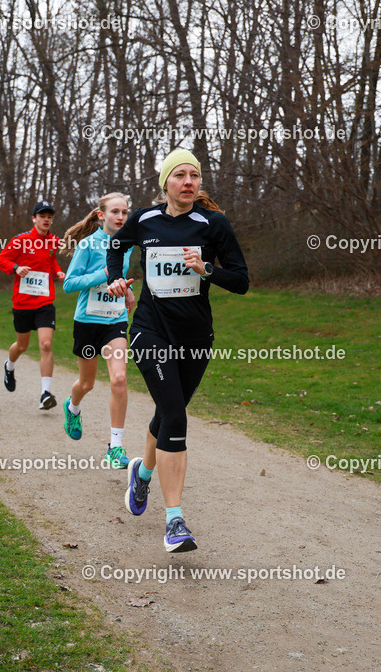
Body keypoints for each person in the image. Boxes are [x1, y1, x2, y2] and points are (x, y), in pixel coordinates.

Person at [106, 149, 249, 553]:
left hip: (195, 339)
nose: (189, 182)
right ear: (165, 183)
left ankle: (143, 472)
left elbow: (241, 280)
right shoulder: (145, 220)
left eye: (195, 176)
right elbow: (116, 248)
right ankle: (175, 522)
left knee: (167, 411)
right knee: (176, 414)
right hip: (151, 331)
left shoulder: (213, 225)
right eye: (180, 175)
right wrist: (116, 279)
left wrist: (207, 269)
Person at [61, 192, 136, 469]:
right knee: (87, 384)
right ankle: (73, 407)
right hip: (87, 321)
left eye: (125, 212)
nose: (121, 217)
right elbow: (69, 284)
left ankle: (115, 447)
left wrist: (127, 290)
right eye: (115, 212)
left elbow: (120, 277)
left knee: (119, 379)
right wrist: (103, 274)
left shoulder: (126, 245)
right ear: (101, 215)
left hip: (115, 320)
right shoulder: (88, 245)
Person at [0, 201, 66, 410]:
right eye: (42, 216)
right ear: (33, 218)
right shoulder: (20, 240)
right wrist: (16, 267)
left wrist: (58, 272)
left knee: (46, 344)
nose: (46, 220)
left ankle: (45, 393)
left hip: (44, 301)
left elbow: (51, 262)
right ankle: (9, 366)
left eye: (49, 216)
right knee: (22, 346)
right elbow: (1, 260)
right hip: (23, 302)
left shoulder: (54, 241)